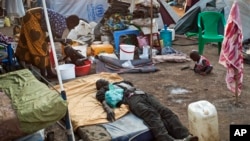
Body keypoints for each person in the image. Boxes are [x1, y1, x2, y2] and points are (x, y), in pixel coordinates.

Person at [95, 79, 199, 141]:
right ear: (99, 86)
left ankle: (185, 135)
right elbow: (102, 99)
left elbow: (131, 85)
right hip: (132, 99)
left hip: (144, 94)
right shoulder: (104, 90)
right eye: (100, 82)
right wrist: (108, 109)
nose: (103, 80)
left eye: (103, 79)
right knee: (152, 116)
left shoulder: (120, 82)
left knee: (166, 112)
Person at [15, 7, 79, 79]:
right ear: (71, 22)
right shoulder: (61, 25)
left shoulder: (63, 20)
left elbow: (53, 38)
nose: (73, 28)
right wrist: (64, 40)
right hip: (32, 17)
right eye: (74, 26)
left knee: (35, 43)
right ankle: (44, 76)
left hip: (34, 17)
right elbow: (49, 39)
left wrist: (64, 41)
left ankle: (49, 73)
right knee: (40, 47)